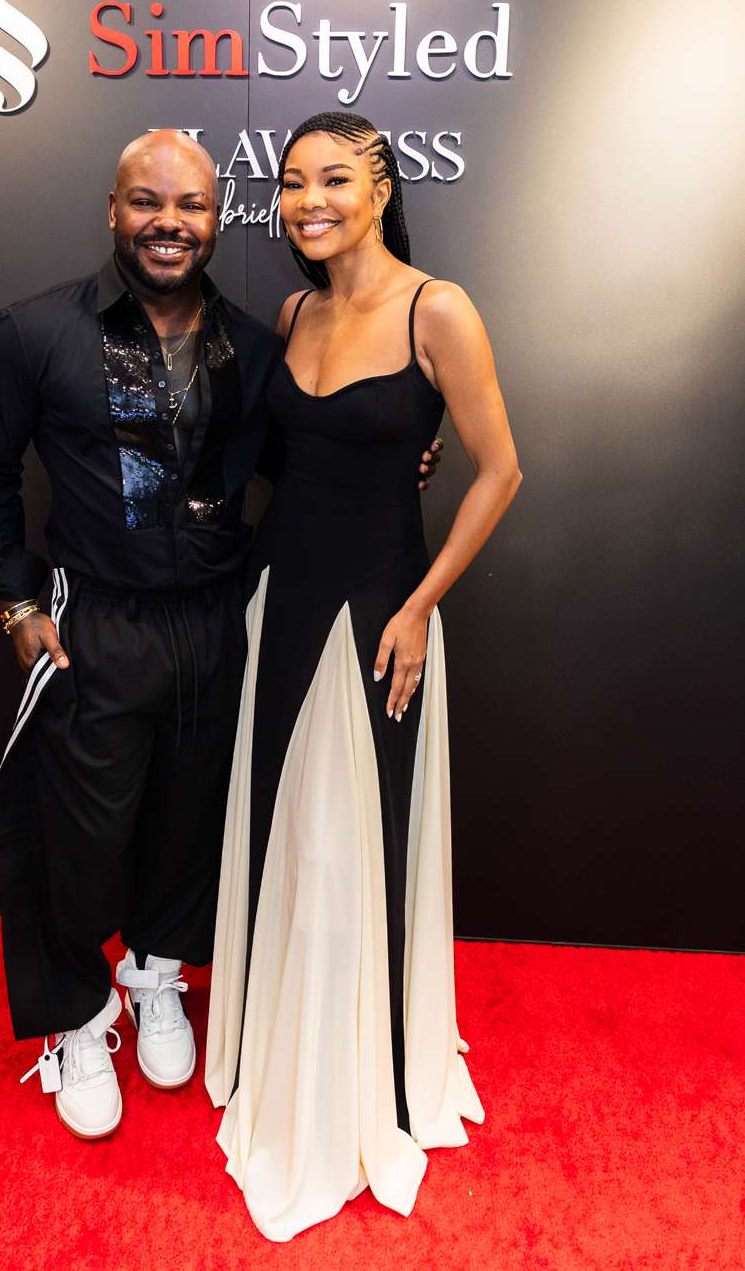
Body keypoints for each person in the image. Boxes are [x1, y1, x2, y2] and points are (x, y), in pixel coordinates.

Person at [0, 129, 442, 1141]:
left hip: (222, 618)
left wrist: (406, 449)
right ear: (113, 208)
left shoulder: (258, 349)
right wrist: (15, 603)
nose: (168, 223)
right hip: (96, 621)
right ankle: (77, 1019)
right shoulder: (36, 331)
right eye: (147, 202)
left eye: (190, 206)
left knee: (191, 821)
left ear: (218, 220)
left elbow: (308, 450)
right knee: (78, 834)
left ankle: (157, 974)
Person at [205, 111, 522, 1240]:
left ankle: (350, 1077)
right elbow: (300, 456)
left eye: (333, 179)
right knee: (286, 836)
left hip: (377, 616)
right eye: (291, 184)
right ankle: (280, 1040)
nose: (307, 201)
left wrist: (421, 606)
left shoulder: (439, 308)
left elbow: (499, 470)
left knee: (351, 843)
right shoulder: (292, 311)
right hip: (281, 602)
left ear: (381, 188)